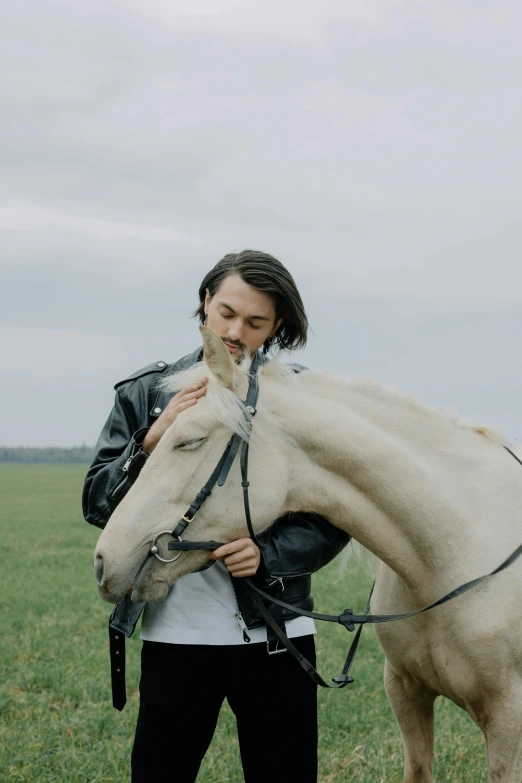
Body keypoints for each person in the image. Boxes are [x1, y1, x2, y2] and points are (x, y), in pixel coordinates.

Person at [83, 250, 350, 783]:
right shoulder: (145, 393)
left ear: (277, 327)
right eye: (226, 312)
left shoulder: (296, 399)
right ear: (205, 302)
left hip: (277, 633)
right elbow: (96, 502)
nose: (235, 331)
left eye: (255, 322)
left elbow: (335, 514)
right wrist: (149, 444)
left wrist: (268, 553)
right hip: (174, 637)